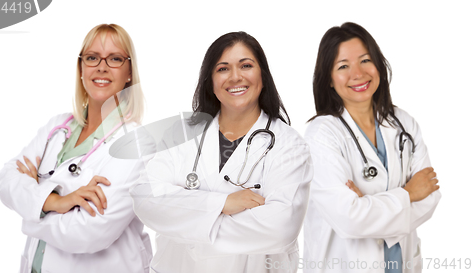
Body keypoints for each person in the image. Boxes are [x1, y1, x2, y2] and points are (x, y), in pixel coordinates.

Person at [130, 31, 312, 273]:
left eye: (246, 65)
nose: (235, 77)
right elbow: (145, 197)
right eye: (223, 69)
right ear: (210, 81)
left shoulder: (289, 145)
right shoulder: (181, 134)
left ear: (263, 75)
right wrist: (222, 203)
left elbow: (280, 227)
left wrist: (185, 218)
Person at [0, 24, 153, 273]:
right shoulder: (58, 127)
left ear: (129, 73)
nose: (101, 67)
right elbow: (7, 179)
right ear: (81, 68)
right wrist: (57, 202)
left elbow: (89, 232)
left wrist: (32, 207)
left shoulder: (136, 143)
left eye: (114, 58)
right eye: (92, 58)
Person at [303, 22, 441, 273]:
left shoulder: (404, 123)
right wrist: (407, 194)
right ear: (329, 80)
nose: (358, 73)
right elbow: (348, 219)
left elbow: (430, 196)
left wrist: (368, 205)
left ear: (378, 64)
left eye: (365, 60)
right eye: (343, 66)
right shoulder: (322, 134)